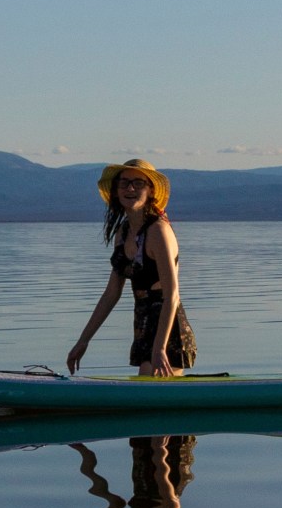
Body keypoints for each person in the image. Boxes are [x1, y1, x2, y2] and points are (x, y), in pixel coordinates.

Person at [68, 159, 197, 377]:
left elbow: (172, 295)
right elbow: (111, 294)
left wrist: (160, 348)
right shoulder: (123, 232)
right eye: (124, 183)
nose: (130, 188)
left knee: (153, 390)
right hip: (143, 323)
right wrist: (83, 340)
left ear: (151, 191)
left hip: (167, 326)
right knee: (148, 386)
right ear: (116, 192)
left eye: (138, 183)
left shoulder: (158, 231)